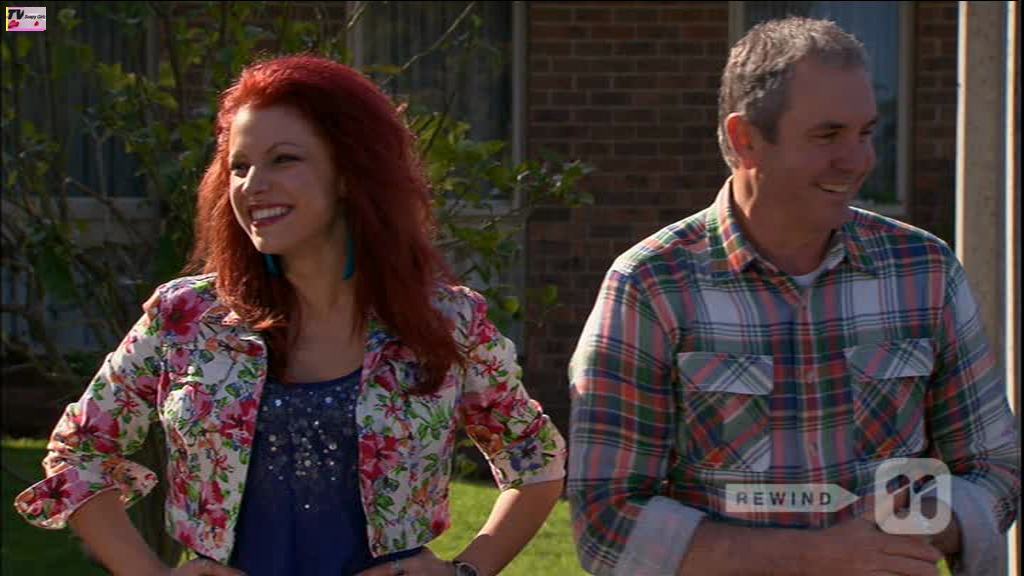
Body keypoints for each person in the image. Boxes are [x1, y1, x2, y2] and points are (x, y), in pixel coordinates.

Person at [14, 55, 567, 576]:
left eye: (284, 159)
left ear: (349, 172)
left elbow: (535, 459)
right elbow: (80, 452)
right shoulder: (186, 317)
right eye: (239, 166)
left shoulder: (446, 320)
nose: (253, 186)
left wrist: (465, 569)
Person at [568, 17, 1019, 576]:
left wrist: (906, 532)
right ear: (745, 140)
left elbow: (996, 468)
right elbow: (608, 521)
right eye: (828, 136)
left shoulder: (922, 270)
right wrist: (818, 556)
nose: (859, 160)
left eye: (866, 132)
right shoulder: (652, 286)